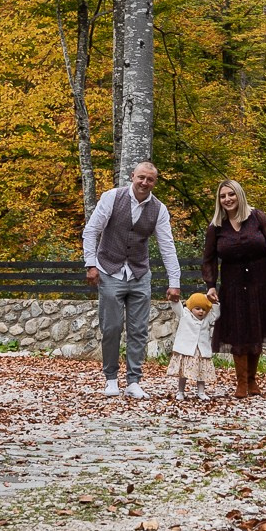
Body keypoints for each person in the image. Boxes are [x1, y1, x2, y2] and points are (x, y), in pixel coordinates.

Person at [82, 161, 182, 398]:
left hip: (139, 273)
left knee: (139, 330)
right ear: (132, 177)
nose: (145, 183)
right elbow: (92, 230)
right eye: (141, 178)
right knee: (112, 327)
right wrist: (90, 264)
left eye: (150, 180)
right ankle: (111, 379)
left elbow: (167, 246)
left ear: (154, 182)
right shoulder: (112, 198)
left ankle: (134, 381)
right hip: (109, 269)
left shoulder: (159, 209)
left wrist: (174, 282)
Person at [201, 178, 266, 398]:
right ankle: (241, 383)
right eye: (222, 196)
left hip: (260, 283)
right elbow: (208, 259)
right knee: (238, 331)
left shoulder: (258, 218)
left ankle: (253, 380)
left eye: (231, 194)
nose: (227, 199)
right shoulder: (216, 226)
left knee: (256, 329)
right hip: (232, 285)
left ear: (239, 195)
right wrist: (210, 285)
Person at [168, 291, 220, 400]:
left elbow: (216, 314)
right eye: (197, 308)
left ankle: (201, 392)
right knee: (183, 373)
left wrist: (214, 303)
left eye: (203, 309)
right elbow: (176, 307)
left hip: (201, 351)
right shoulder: (185, 314)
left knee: (202, 373)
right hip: (186, 350)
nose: (201, 311)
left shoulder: (207, 318)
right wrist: (174, 299)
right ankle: (180, 392)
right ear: (191, 307)